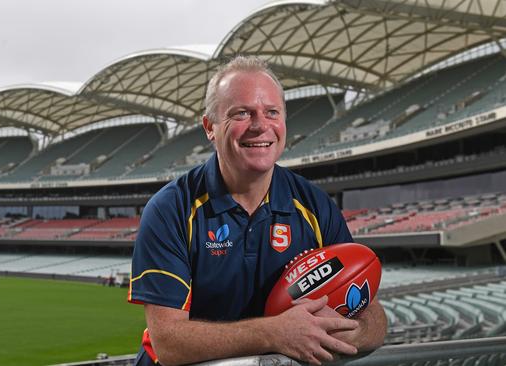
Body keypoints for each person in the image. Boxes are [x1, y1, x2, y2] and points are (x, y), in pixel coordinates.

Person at [128, 56, 387, 366]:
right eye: (242, 113)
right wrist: (274, 333)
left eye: (272, 112)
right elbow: (169, 342)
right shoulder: (170, 209)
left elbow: (371, 314)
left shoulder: (314, 206)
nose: (260, 126)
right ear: (210, 127)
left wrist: (348, 333)